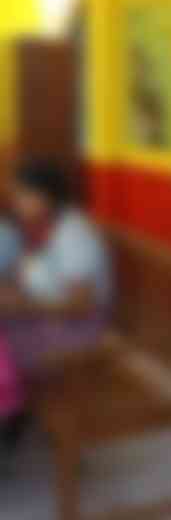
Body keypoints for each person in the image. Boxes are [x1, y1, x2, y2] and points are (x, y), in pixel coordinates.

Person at [0, 161, 112, 376]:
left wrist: (24, 306)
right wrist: (12, 293)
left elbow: (82, 306)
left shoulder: (74, 234)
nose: (15, 202)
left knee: (5, 352)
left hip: (77, 326)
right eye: (16, 195)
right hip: (41, 313)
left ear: (48, 197)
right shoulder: (34, 226)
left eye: (24, 196)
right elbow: (27, 275)